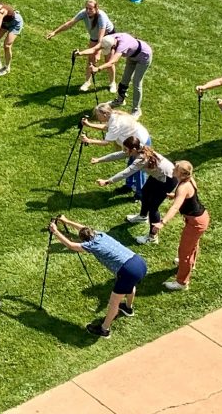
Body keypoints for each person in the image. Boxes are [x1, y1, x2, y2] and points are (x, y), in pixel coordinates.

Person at [49, 215, 147, 339]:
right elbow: (83, 228)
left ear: (84, 240)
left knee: (113, 303)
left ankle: (104, 330)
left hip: (128, 271)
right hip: (139, 262)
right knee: (130, 285)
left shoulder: (92, 246)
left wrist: (56, 231)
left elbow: (71, 245)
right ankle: (128, 308)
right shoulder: (101, 235)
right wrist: (67, 221)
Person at [92, 136, 177, 245]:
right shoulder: (138, 147)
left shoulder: (141, 159)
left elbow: (126, 172)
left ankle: (152, 237)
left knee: (153, 207)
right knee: (145, 192)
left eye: (126, 150)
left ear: (134, 150)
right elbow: (119, 154)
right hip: (158, 175)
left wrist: (108, 181)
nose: (124, 151)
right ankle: (142, 216)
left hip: (168, 179)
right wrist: (99, 159)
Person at [152, 161, 210, 291]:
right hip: (200, 218)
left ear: (181, 174)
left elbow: (175, 207)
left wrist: (162, 222)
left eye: (176, 168)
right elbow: (192, 194)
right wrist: (176, 195)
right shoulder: (189, 180)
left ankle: (182, 283)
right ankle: (191, 264)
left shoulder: (183, 187)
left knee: (184, 253)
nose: (173, 169)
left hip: (196, 223)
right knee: (192, 245)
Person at [81, 103, 151, 199]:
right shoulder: (114, 116)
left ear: (105, 114)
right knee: (131, 164)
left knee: (137, 169)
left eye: (98, 115)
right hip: (136, 141)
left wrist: (89, 140)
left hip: (140, 144)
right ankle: (129, 186)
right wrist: (89, 124)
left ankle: (140, 193)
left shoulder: (115, 123)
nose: (97, 117)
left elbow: (106, 142)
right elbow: (106, 127)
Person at [46, 0, 117, 93]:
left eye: (90, 9)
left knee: (109, 61)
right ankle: (87, 82)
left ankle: (112, 83)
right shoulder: (84, 13)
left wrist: (98, 53)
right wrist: (55, 32)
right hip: (94, 37)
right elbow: (70, 23)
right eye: (87, 8)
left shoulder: (101, 16)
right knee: (90, 60)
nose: (88, 11)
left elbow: (101, 36)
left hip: (108, 37)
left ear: (96, 8)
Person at [92, 33, 153, 119]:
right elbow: (96, 48)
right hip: (132, 56)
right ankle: (120, 100)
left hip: (144, 56)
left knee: (136, 82)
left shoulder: (122, 45)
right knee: (125, 80)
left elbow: (112, 62)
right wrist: (80, 53)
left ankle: (136, 110)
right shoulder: (110, 39)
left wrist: (98, 69)